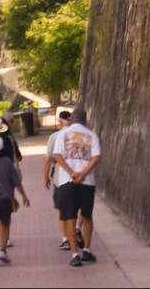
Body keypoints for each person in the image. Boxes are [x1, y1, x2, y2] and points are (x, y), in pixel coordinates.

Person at [53, 107, 101, 267]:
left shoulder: (62, 134)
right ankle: (86, 250)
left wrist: (72, 172)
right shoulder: (92, 135)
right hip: (87, 182)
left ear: (72, 119)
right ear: (85, 120)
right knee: (87, 216)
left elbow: (57, 155)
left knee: (70, 218)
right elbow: (96, 157)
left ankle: (75, 254)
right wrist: (83, 173)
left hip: (68, 181)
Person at [0, 134, 30, 267]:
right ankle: (2, 251)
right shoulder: (7, 162)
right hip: (5, 199)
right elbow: (16, 182)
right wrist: (24, 196)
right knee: (5, 224)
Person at [43, 109, 73, 250]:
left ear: (60, 121)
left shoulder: (54, 137)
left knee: (62, 210)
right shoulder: (81, 134)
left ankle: (66, 238)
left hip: (60, 178)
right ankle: (77, 229)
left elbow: (48, 160)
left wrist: (45, 177)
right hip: (80, 177)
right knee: (77, 208)